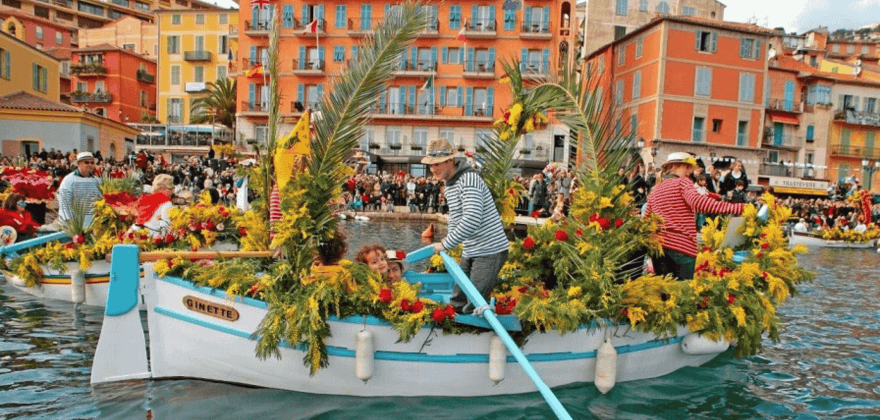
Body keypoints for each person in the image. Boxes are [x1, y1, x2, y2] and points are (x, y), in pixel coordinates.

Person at [423, 138, 508, 314]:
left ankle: (473, 335)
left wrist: (445, 244)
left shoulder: (468, 179)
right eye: (431, 165)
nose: (433, 169)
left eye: (437, 164)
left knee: (474, 304)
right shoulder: (450, 184)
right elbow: (456, 218)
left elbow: (471, 219)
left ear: (450, 161)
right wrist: (449, 245)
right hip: (471, 250)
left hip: (489, 250)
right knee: (457, 300)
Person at [644, 153, 745, 281]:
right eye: (688, 167)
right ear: (677, 166)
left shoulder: (656, 190)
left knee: (663, 295)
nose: (690, 172)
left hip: (658, 249)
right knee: (682, 294)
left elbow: (646, 220)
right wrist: (738, 208)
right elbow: (699, 203)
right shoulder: (682, 183)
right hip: (681, 248)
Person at [54, 151, 103, 227]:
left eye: (92, 162)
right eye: (86, 162)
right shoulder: (69, 180)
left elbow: (101, 200)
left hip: (94, 223)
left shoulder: (97, 180)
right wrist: (69, 222)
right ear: (79, 164)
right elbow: (64, 203)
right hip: (76, 223)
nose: (90, 164)